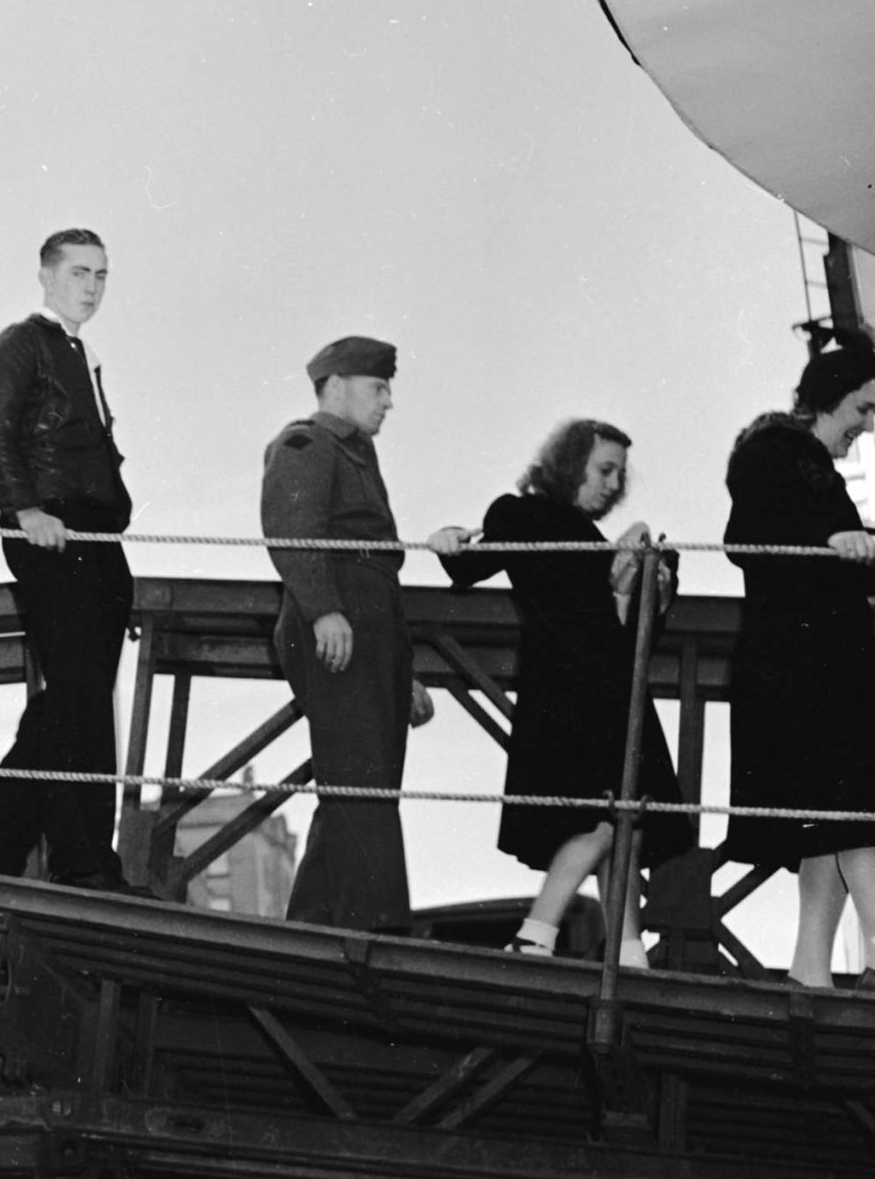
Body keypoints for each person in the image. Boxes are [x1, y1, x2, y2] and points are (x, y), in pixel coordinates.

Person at [445, 421, 694, 962]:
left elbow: (625, 633)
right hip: (570, 696)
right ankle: (537, 934)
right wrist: (448, 541)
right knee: (607, 819)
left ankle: (627, 952)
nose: (613, 484)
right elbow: (474, 563)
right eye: (604, 469)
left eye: (620, 475)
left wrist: (640, 578)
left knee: (621, 820)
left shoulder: (587, 537)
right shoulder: (527, 515)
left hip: (601, 696)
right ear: (569, 463)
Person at [0, 228, 133, 891]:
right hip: (56, 534)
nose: (92, 286)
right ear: (47, 277)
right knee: (75, 700)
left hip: (94, 542)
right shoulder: (28, 341)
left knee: (83, 705)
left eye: (102, 274)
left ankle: (82, 858)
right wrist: (26, 510)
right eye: (80, 272)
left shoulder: (76, 353)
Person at [259, 339, 468, 934]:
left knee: (359, 781)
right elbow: (292, 529)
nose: (388, 401)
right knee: (361, 782)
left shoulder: (355, 453)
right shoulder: (307, 442)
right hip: (337, 623)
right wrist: (324, 610)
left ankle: (314, 924)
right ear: (337, 385)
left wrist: (402, 673)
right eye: (378, 387)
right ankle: (376, 928)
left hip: (369, 629)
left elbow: (375, 576)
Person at [720, 328, 875, 988]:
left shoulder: (791, 461)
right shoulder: (778, 454)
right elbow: (746, 536)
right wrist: (831, 537)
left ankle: (810, 969)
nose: (864, 429)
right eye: (862, 410)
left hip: (813, 664)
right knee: (858, 815)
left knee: (829, 825)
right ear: (832, 397)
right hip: (812, 668)